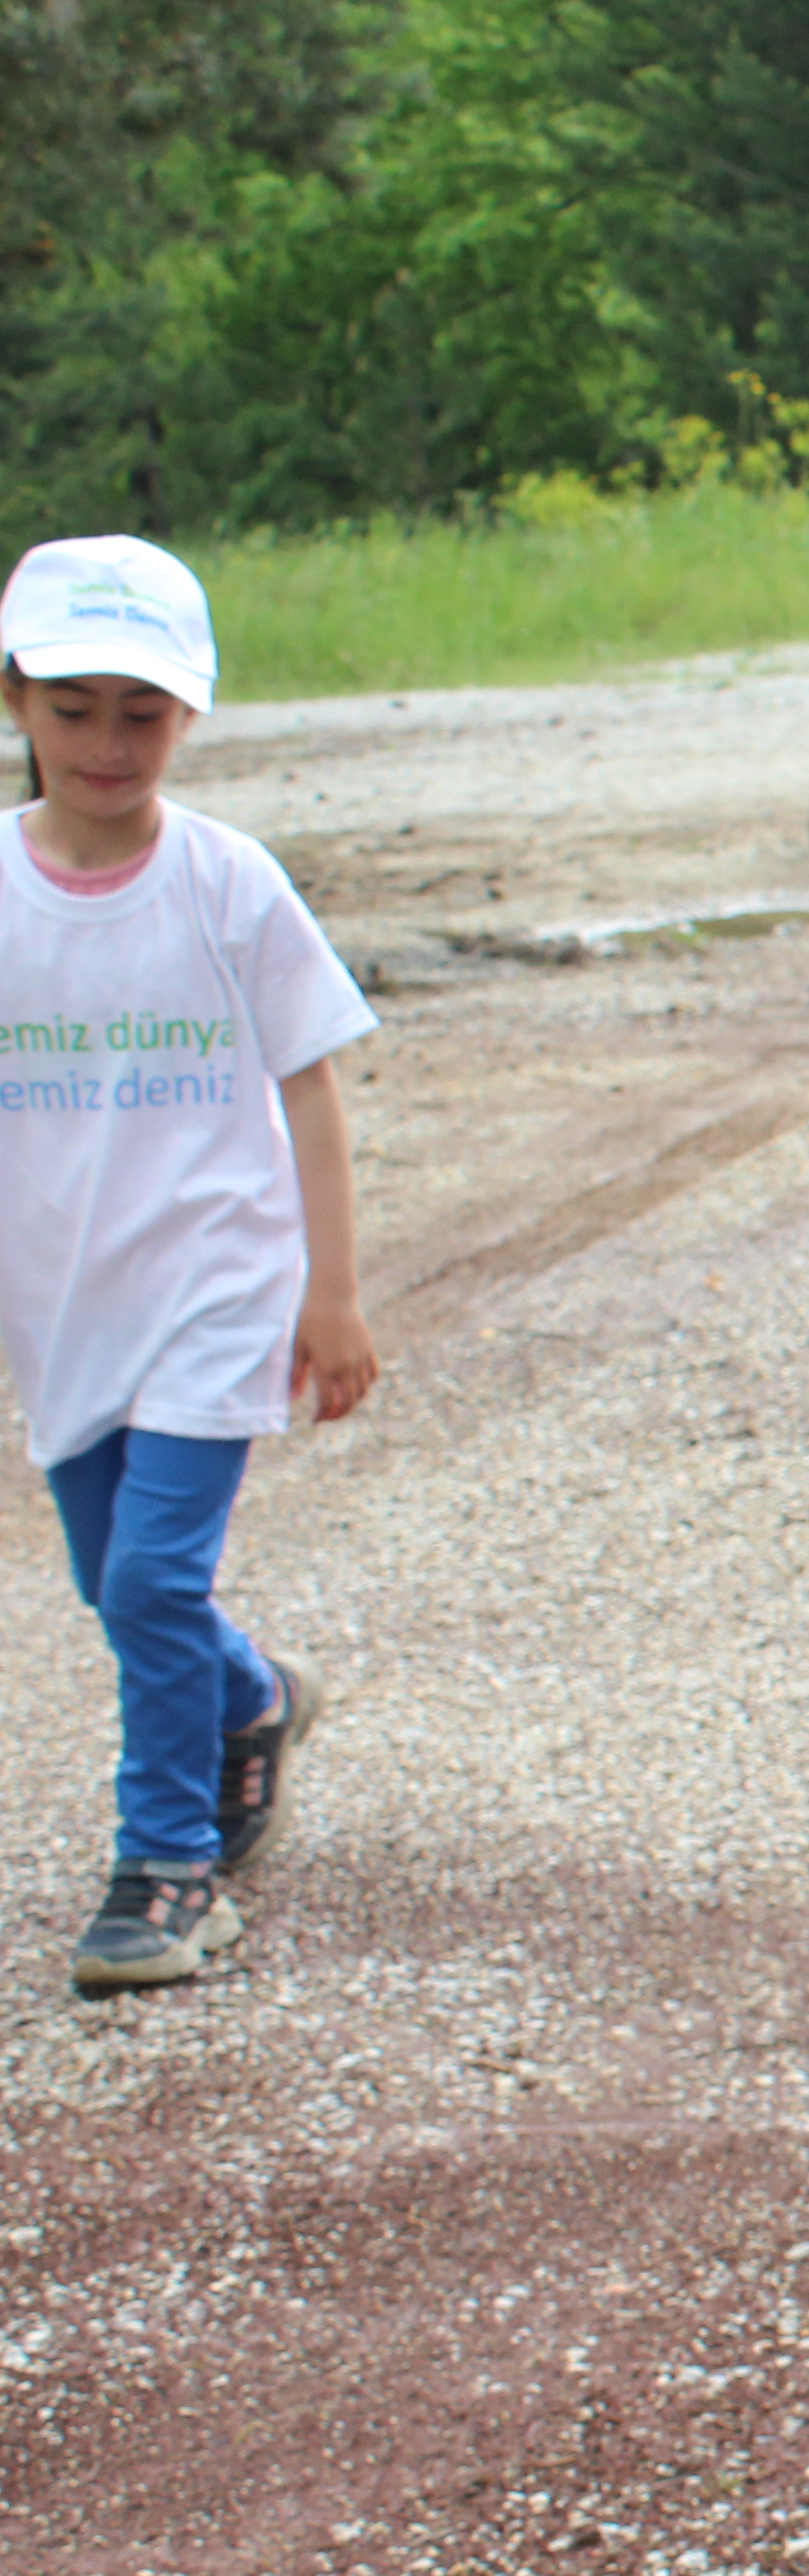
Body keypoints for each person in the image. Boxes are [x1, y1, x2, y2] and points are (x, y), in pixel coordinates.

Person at [1, 536, 377, 1995]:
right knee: (117, 1584)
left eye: (144, 713)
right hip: (65, 1308)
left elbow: (312, 1089)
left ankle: (166, 1867)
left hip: (220, 1292)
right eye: (76, 705)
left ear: (193, 715)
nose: (108, 743)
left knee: (153, 1579)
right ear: (19, 698)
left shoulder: (228, 885)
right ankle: (250, 1700)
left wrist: (330, 1293)